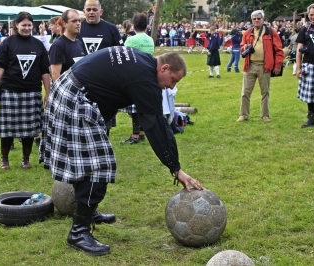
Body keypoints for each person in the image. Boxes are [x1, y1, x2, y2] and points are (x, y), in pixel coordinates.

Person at [40, 47, 204, 256]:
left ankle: (87, 214)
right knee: (98, 166)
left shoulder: (144, 61)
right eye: (173, 80)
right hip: (74, 97)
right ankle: (78, 232)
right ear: (164, 68)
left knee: (93, 160)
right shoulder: (145, 78)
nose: (170, 87)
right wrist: (176, 168)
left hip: (70, 88)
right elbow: (155, 126)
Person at [0, 12, 50, 170]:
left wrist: (48, 93)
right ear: (16, 25)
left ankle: (26, 160)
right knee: (7, 130)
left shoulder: (38, 45)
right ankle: (4, 160)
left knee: (29, 130)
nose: (27, 28)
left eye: (29, 25)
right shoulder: (7, 43)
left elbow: (44, 71)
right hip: (10, 91)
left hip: (32, 92)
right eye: (23, 25)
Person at [77, 0, 123, 136]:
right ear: (84, 11)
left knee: (104, 120)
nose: (91, 12)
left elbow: (121, 54)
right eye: (89, 9)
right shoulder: (77, 28)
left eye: (94, 9)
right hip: (81, 81)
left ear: (100, 12)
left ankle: (103, 150)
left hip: (105, 83)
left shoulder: (111, 29)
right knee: (80, 121)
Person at [236, 10, 284, 123]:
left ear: (263, 19)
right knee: (245, 92)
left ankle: (265, 116)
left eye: (258, 18)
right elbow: (242, 47)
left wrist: (277, 65)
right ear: (252, 20)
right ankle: (243, 115)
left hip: (265, 66)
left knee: (265, 92)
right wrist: (245, 47)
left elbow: (279, 50)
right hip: (250, 65)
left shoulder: (271, 32)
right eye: (254, 19)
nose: (256, 20)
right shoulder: (247, 32)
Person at [120, 12, 155, 144]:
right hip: (147, 75)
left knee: (134, 109)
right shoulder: (150, 39)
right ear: (146, 26)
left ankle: (135, 136)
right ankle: (141, 133)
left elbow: (123, 58)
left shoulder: (130, 40)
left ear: (133, 26)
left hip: (133, 76)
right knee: (141, 106)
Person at [49, 9, 85, 82]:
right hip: (66, 91)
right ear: (64, 24)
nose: (78, 23)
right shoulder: (58, 45)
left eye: (79, 21)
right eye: (74, 21)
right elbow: (55, 75)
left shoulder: (79, 43)